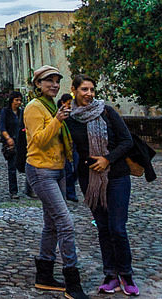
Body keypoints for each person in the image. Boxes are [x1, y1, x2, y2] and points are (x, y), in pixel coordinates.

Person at [65, 74, 139, 297]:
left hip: (116, 175)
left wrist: (107, 159)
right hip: (90, 179)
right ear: (74, 90)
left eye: (91, 89)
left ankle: (126, 273)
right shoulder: (71, 118)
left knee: (117, 227)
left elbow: (127, 141)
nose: (89, 94)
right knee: (103, 228)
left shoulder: (106, 112)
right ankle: (110, 275)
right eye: (84, 90)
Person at [24, 65, 88, 299]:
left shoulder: (53, 105)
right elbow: (38, 140)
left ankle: (45, 275)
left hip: (58, 168)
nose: (53, 84)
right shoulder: (34, 107)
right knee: (65, 223)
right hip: (41, 170)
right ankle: (72, 281)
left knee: (51, 224)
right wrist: (57, 120)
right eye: (47, 80)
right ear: (38, 84)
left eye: (56, 80)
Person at [0, 91, 23, 198]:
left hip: (21, 141)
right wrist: (8, 138)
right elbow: (2, 127)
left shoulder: (21, 112)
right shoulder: (5, 111)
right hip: (10, 143)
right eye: (16, 100)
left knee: (26, 165)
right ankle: (13, 191)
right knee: (12, 167)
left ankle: (30, 189)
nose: (19, 102)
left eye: (20, 100)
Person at [58, 93, 80, 203]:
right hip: (63, 146)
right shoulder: (59, 115)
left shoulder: (73, 114)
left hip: (73, 144)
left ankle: (70, 190)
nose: (70, 105)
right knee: (67, 170)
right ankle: (69, 192)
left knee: (76, 168)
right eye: (68, 103)